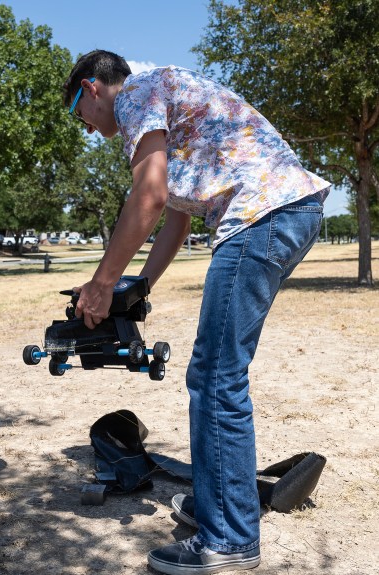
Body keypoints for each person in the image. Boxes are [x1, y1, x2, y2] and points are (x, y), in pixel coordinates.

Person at [62, 50, 329, 574]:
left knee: (215, 377)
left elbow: (150, 196)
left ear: (91, 89)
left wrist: (101, 284)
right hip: (285, 211)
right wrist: (137, 288)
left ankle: (229, 539)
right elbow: (176, 220)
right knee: (219, 374)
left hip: (261, 216)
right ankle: (220, 506)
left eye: (80, 116)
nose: (90, 132)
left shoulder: (136, 92)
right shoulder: (166, 101)